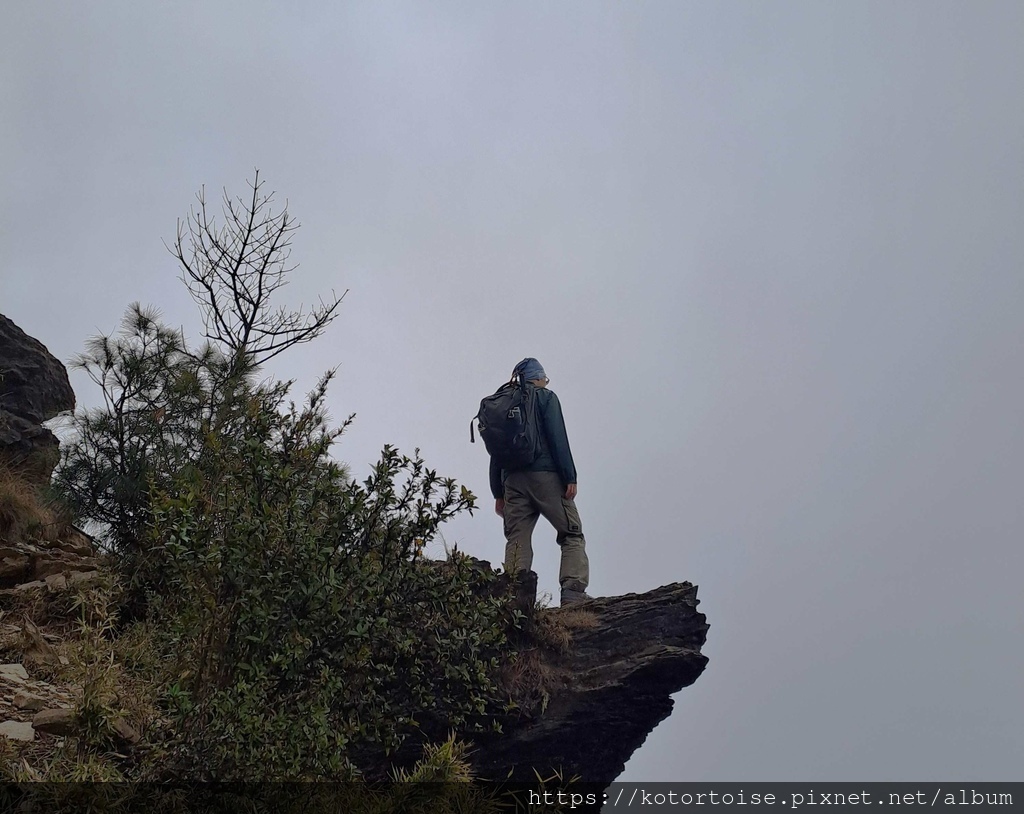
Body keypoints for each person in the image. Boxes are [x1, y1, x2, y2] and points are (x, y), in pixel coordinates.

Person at [490, 357, 592, 606]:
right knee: (571, 533)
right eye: (544, 379)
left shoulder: (504, 405)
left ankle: (514, 600)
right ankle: (573, 593)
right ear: (538, 378)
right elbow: (558, 437)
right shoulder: (546, 398)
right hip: (546, 476)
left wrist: (498, 492)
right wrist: (570, 476)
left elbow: (496, 452)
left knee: (517, 539)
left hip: (512, 482)